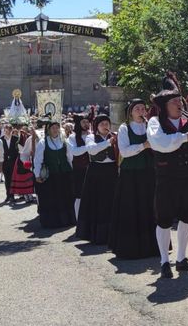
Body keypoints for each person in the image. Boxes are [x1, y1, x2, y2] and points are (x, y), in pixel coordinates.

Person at [147, 73, 188, 279]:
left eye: (180, 100)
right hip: (167, 177)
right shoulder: (155, 122)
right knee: (164, 220)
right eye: (174, 101)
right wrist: (185, 137)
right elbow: (160, 143)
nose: (179, 104)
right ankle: (164, 261)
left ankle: (181, 258)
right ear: (164, 105)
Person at [109, 99, 158, 259]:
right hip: (131, 173)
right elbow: (124, 150)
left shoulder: (149, 126)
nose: (141, 111)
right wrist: (143, 146)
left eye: (143, 108)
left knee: (149, 206)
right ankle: (129, 246)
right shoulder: (124, 128)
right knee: (131, 207)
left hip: (148, 171)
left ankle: (152, 245)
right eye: (137, 109)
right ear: (130, 112)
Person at [75, 115, 119, 245]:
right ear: (97, 127)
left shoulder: (115, 136)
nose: (105, 126)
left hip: (111, 171)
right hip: (96, 172)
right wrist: (108, 143)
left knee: (111, 202)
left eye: (107, 123)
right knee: (97, 202)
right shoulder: (90, 137)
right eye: (102, 124)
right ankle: (97, 234)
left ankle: (113, 233)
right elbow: (92, 150)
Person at [33, 119, 76, 229]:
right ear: (48, 130)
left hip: (64, 174)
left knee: (65, 197)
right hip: (50, 175)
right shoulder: (43, 142)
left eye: (57, 127)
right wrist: (37, 174)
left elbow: (69, 157)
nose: (55, 130)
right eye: (53, 128)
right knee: (51, 199)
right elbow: (38, 159)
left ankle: (67, 220)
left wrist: (72, 169)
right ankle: (52, 222)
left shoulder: (64, 141)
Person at [67, 110, 94, 222]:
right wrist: (89, 147)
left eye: (87, 122)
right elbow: (75, 152)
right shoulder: (72, 137)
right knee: (79, 196)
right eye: (83, 122)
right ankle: (79, 220)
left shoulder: (92, 135)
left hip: (92, 169)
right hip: (79, 170)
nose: (86, 124)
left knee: (91, 195)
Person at [10, 123, 36, 204]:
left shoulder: (29, 137)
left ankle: (30, 195)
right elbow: (24, 152)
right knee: (25, 179)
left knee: (29, 179)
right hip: (25, 161)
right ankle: (26, 195)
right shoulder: (28, 139)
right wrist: (26, 162)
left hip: (28, 160)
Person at [1, 123, 20, 204]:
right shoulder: (1, 139)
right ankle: (8, 195)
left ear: (11, 130)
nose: (7, 132)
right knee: (7, 180)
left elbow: (19, 150)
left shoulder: (16, 139)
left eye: (8, 130)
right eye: (5, 130)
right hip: (5, 163)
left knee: (13, 179)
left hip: (14, 162)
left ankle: (12, 195)